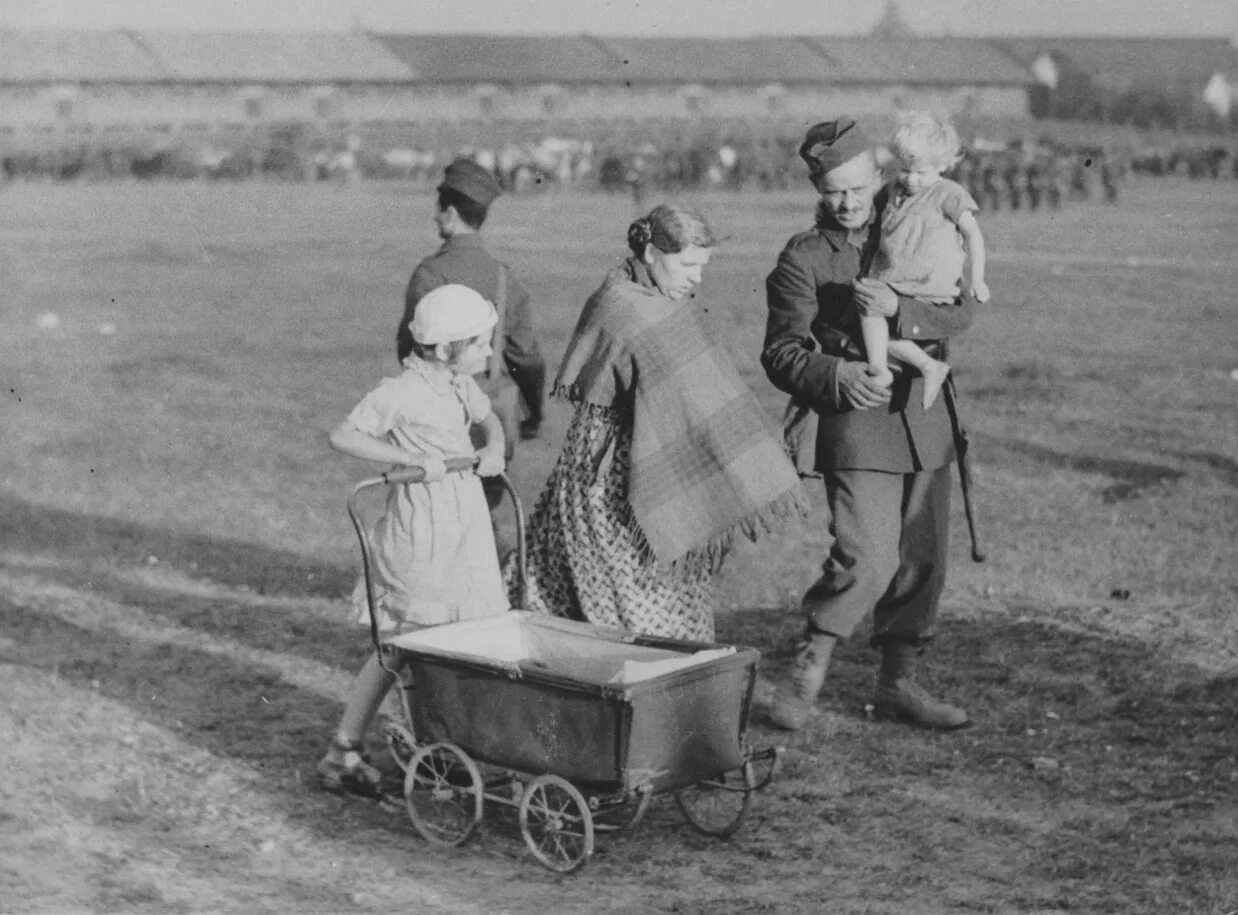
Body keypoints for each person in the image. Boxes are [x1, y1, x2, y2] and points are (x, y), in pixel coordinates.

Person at [762, 116, 979, 731]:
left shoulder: (920, 217)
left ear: (879, 175)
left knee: (923, 557)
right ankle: (808, 669)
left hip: (927, 416)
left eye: (859, 188)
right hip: (858, 422)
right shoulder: (804, 258)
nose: (849, 202)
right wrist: (839, 377)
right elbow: (782, 352)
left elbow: (961, 311)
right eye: (834, 191)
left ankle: (897, 683)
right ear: (818, 192)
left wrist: (902, 312)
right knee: (867, 558)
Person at [514, 203, 809, 641]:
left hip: (654, 469)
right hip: (606, 480)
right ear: (651, 253)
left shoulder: (666, 303)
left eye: (702, 266)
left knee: (667, 590)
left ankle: (673, 688)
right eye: (687, 264)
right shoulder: (620, 302)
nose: (696, 277)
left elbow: (703, 396)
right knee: (619, 593)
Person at [318, 284, 508, 793]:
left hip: (463, 529)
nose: (489, 353)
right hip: (420, 534)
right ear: (445, 349)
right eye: (479, 344)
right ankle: (344, 748)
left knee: (464, 638)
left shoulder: (458, 387)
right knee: (399, 647)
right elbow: (343, 435)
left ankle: (446, 746)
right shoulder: (399, 393)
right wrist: (406, 460)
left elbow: (488, 418)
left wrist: (495, 444)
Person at [396, 157, 546, 513]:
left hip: (437, 420)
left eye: (438, 210)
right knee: (482, 511)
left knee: (441, 513)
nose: (435, 217)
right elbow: (527, 357)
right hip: (494, 416)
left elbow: (408, 350)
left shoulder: (430, 274)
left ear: (449, 212)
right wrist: (534, 413)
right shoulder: (503, 276)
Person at [857, 111, 990, 411]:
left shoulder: (948, 194)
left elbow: (974, 236)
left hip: (927, 282)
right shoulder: (892, 190)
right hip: (896, 278)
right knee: (868, 321)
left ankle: (894, 367)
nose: (911, 179)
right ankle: (919, 367)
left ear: (943, 166)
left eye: (921, 172)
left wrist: (978, 279)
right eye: (905, 169)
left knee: (872, 318)